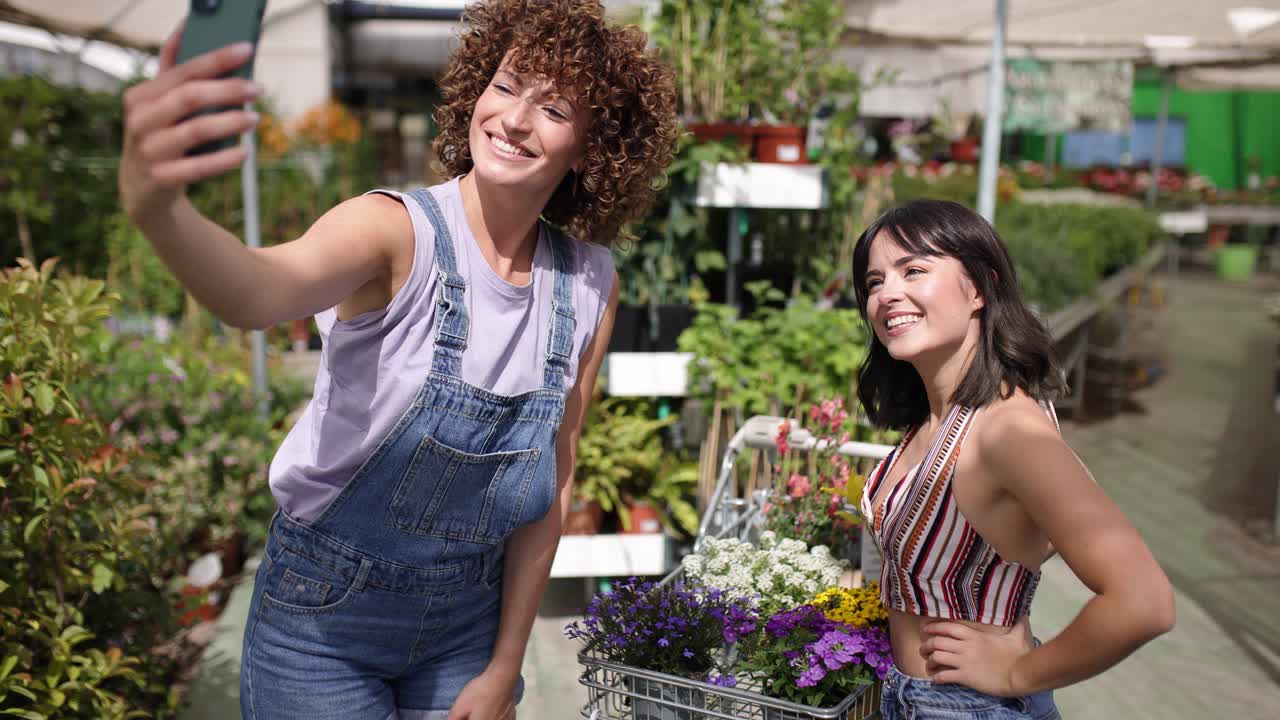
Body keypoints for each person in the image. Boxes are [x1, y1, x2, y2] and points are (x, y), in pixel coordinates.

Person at [117, 1, 678, 718]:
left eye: (554, 108)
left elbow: (554, 480)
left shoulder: (588, 283)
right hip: (322, 623)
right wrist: (157, 207)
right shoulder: (393, 232)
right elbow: (256, 293)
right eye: (506, 86)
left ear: (593, 147)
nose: (513, 119)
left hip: (466, 629)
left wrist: (505, 666)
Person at [852, 200, 1175, 719]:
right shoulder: (942, 416)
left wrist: (1016, 673)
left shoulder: (1008, 430)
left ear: (979, 286)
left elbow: (1144, 602)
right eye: (873, 282)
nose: (887, 293)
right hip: (911, 698)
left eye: (914, 270)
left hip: (964, 707)